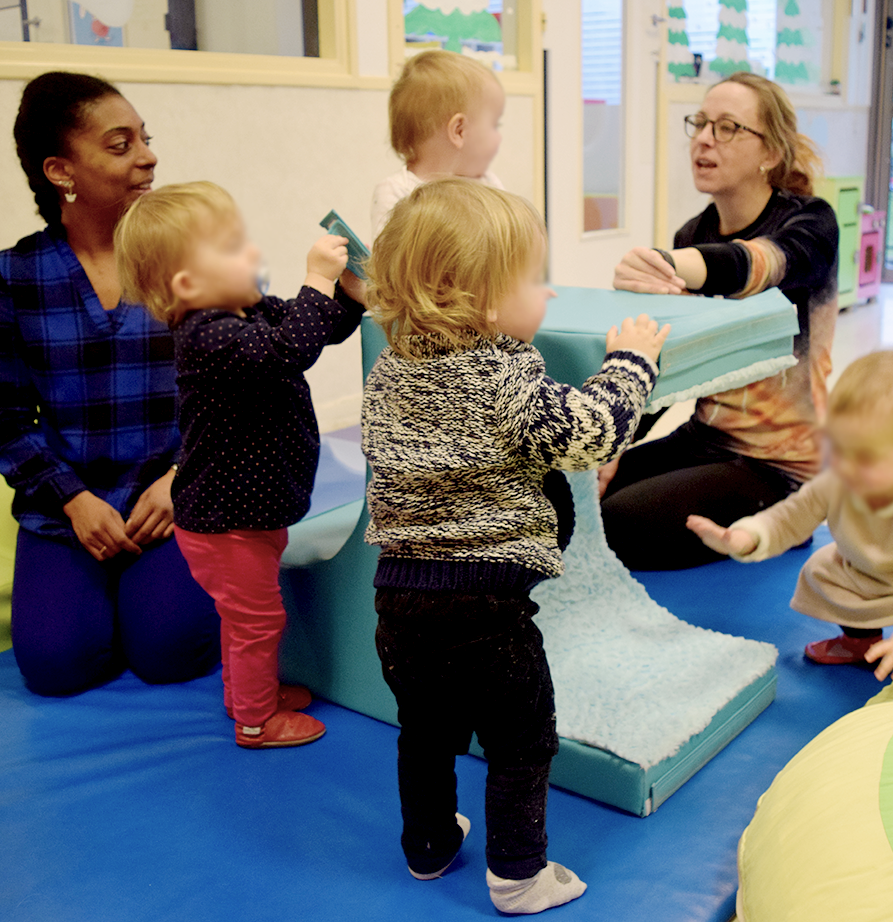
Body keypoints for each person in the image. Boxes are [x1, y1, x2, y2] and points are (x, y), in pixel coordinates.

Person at [362, 179, 668, 913]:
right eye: (536, 280)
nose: (550, 293)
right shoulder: (503, 373)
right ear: (487, 304)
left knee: (425, 731)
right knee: (521, 740)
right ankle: (519, 874)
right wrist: (630, 364)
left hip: (398, 600)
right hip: (486, 611)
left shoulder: (387, 373)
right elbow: (588, 432)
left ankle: (429, 846)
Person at [0, 72, 218, 697]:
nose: (148, 156)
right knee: (58, 667)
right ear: (61, 172)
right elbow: (0, 416)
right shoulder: (15, 275)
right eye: (120, 144)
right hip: (70, 509)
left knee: (171, 653)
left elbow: (234, 390)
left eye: (145, 139)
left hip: (170, 500)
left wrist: (181, 477)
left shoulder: (189, 258)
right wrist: (73, 500)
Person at [115, 181, 366, 748]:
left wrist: (346, 296)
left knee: (243, 618)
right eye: (232, 248)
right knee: (258, 620)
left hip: (250, 511)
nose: (252, 253)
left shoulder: (247, 311)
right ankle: (256, 721)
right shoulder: (209, 337)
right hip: (226, 523)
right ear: (187, 285)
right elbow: (291, 349)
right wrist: (317, 278)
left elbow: (314, 327)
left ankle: (245, 695)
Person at [602, 72, 840, 571]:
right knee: (570, 491)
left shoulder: (811, 222)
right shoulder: (693, 234)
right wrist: (614, 443)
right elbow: (673, 359)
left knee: (620, 522)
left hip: (781, 465)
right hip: (704, 438)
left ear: (770, 152)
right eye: (701, 123)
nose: (705, 139)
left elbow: (755, 264)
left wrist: (665, 264)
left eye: (728, 127)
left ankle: (789, 522)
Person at [687, 350, 893, 682]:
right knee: (825, 571)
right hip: (878, 572)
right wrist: (745, 537)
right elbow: (790, 518)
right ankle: (859, 641)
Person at [370, 49, 506, 236]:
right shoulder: (397, 193)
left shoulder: (489, 186)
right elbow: (388, 253)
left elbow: (513, 245)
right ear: (459, 130)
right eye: (493, 125)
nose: (499, 137)